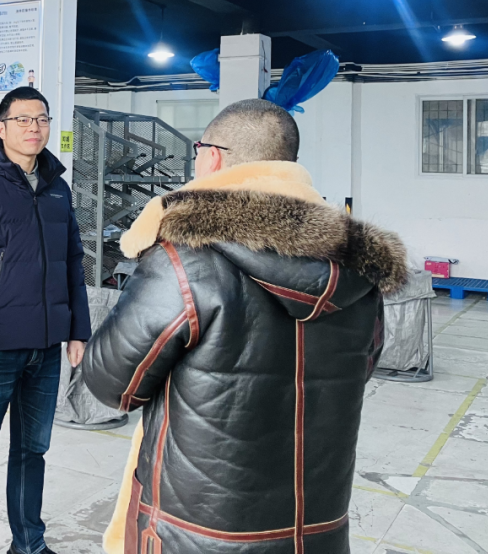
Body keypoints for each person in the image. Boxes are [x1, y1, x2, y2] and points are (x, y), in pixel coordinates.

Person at [82, 99, 407, 554]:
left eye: (198, 151)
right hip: (317, 532)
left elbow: (111, 384)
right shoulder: (359, 270)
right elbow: (363, 366)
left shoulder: (184, 261)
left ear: (213, 157)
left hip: (194, 533)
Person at [0, 86, 92, 554]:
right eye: (22, 119)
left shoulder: (57, 187)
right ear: (1, 127)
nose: (34, 128)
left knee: (33, 451)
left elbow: (72, 260)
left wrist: (78, 329)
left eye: (41, 119)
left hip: (46, 347)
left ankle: (28, 544)